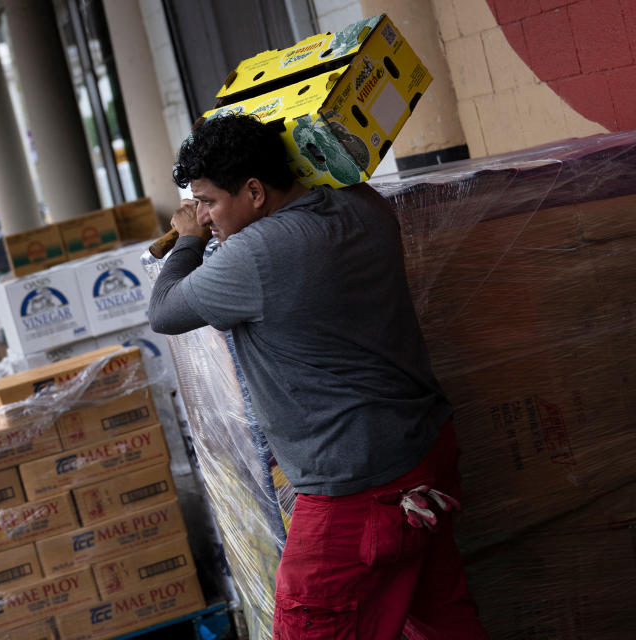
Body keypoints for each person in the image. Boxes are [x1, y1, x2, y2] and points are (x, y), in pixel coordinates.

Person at [148, 114, 487, 640]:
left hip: (356, 491)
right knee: (442, 621)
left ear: (255, 190)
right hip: (425, 455)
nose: (203, 215)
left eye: (209, 202)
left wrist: (188, 241)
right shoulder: (362, 205)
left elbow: (166, 310)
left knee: (310, 628)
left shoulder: (253, 256)